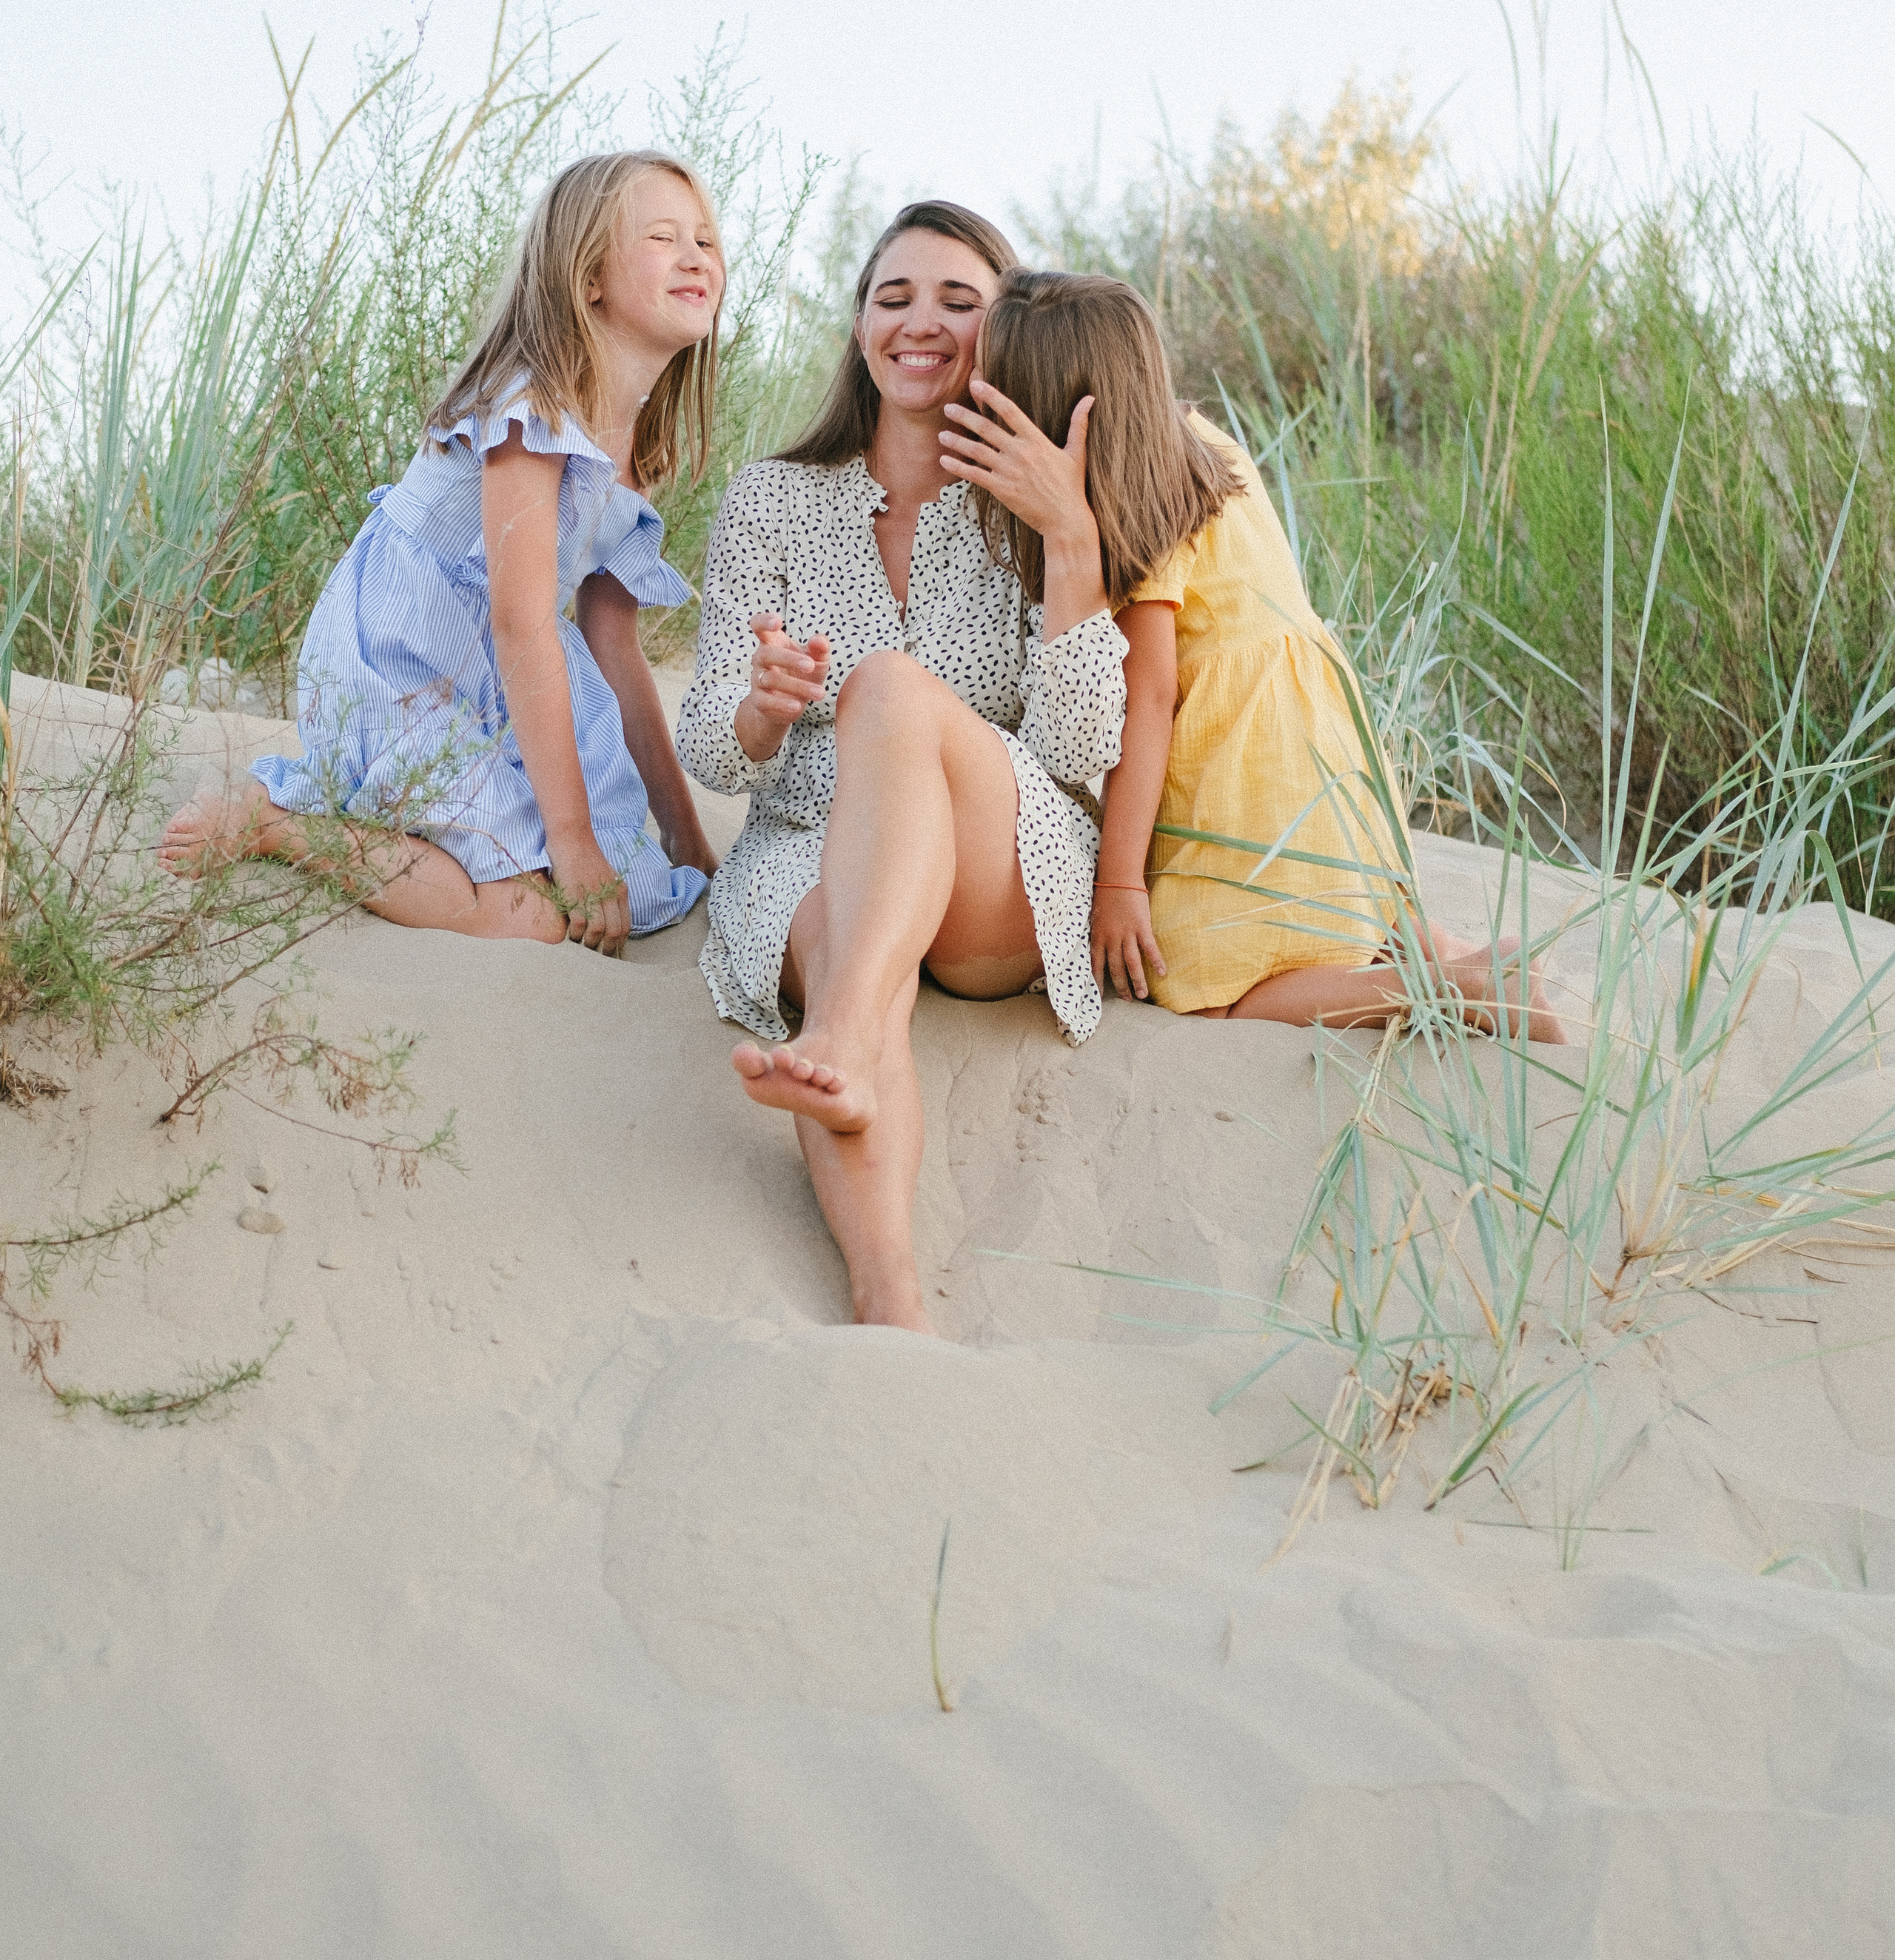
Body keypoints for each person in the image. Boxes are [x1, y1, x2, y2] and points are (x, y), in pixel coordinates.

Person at [677, 202, 1126, 1332]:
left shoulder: (1036, 499)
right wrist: (762, 713)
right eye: (893, 297)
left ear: (1001, 331)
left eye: (958, 301)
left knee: (883, 687)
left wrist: (1072, 541)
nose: (919, 322)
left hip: (996, 860)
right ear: (859, 326)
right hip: (806, 847)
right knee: (846, 952)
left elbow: (1079, 758)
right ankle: (890, 1296)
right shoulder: (772, 498)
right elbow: (711, 748)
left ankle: (837, 1026)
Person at [959, 272, 1564, 1037]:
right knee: (1366, 916)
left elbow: (1151, 698)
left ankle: (1458, 991)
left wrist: (1119, 883)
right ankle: (1470, 958)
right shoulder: (1201, 443)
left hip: (1248, 757)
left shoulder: (1140, 503)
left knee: (1214, 988)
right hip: (1319, 733)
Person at [158, 151, 721, 950]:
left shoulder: (635, 440)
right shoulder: (533, 408)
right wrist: (569, 838)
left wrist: (684, 835)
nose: (696, 256)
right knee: (527, 915)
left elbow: (613, 645)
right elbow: (522, 621)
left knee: (626, 889)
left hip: (494, 671)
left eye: (706, 240)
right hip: (406, 648)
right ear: (588, 276)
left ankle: (457, 824)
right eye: (663, 237)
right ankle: (276, 822)